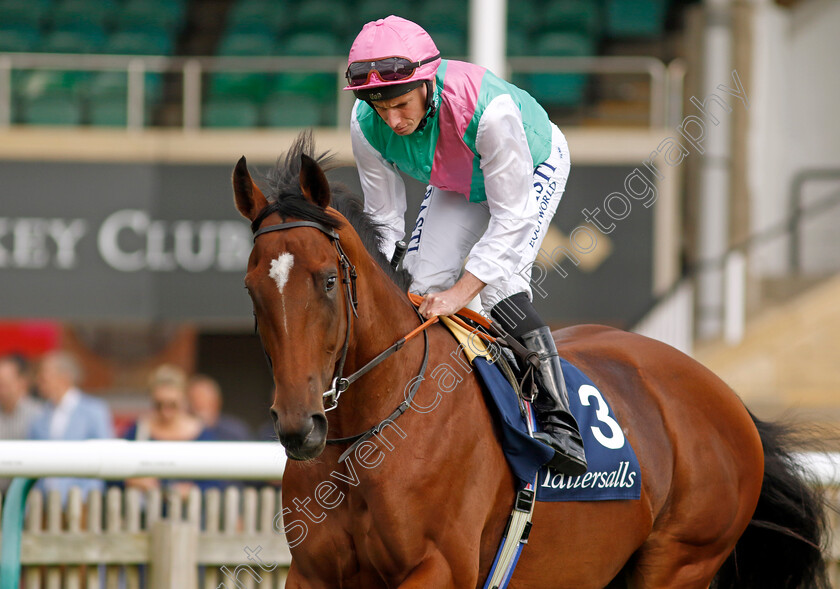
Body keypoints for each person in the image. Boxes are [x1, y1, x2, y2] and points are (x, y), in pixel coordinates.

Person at [344, 16, 586, 475]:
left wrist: (461, 294)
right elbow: (383, 219)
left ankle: (561, 421)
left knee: (499, 288)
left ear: (426, 82)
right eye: (380, 108)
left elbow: (512, 217)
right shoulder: (364, 123)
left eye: (400, 104)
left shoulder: (490, 113)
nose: (392, 121)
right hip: (458, 177)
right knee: (419, 284)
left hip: (530, 162)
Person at [124, 365, 221, 497]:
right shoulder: (138, 431)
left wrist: (193, 489)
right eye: (159, 405)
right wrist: (133, 480)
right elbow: (116, 473)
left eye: (172, 405)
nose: (166, 413)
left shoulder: (202, 434)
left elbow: (216, 481)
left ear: (184, 400)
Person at [29, 351, 114, 502]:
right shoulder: (40, 414)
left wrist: (85, 494)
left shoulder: (94, 411)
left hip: (82, 502)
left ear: (64, 377)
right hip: (43, 503)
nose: (39, 381)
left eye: (45, 376)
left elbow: (105, 455)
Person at [0, 354, 44, 491]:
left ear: (22, 382)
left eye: (5, 384)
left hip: (29, 495)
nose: (1, 389)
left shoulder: (39, 414)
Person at [186, 374, 252, 441]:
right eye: (194, 399)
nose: (199, 403)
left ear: (217, 401)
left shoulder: (235, 430)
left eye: (203, 398)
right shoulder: (183, 432)